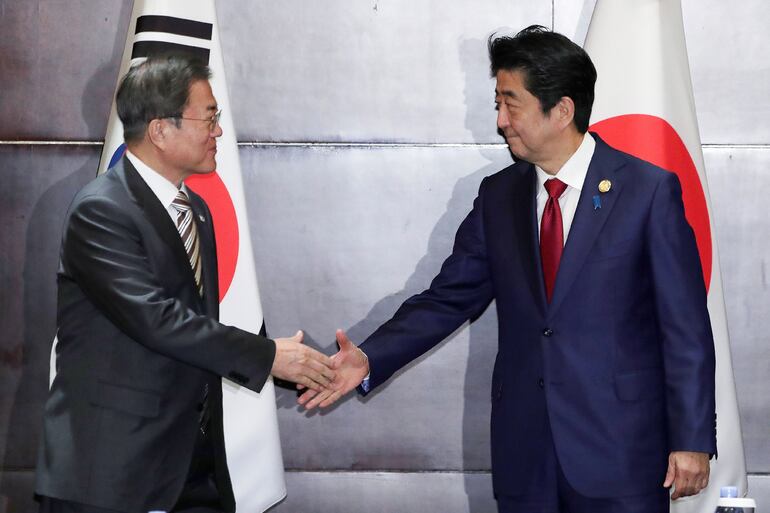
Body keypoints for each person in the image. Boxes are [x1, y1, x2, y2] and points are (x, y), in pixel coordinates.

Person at [300, 25, 716, 513]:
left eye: (510, 103)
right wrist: (369, 357)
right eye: (497, 103)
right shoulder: (499, 197)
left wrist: (691, 439)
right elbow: (447, 298)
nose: (500, 120)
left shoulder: (647, 192)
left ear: (561, 110)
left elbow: (685, 327)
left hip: (621, 455)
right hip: (527, 457)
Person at [34, 54, 336, 513]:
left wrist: (309, 367)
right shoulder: (102, 210)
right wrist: (270, 357)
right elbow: (157, 319)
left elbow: (200, 326)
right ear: (160, 130)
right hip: (112, 475)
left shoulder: (194, 210)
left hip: (189, 473)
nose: (218, 131)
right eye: (209, 118)